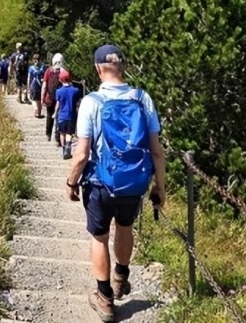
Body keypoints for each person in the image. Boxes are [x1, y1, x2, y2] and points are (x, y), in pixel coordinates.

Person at [66, 45, 166, 322]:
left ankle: (105, 299)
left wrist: (71, 182)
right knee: (125, 226)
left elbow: (82, 153)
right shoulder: (142, 98)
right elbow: (156, 150)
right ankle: (121, 275)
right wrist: (160, 187)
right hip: (134, 182)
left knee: (99, 236)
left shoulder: (91, 102)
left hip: (100, 182)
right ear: (123, 66)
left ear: (98, 68)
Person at [53, 69, 81, 160]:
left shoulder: (58, 91)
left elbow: (58, 104)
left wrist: (54, 113)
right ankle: (68, 148)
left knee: (62, 133)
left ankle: (64, 149)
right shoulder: (75, 90)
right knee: (69, 133)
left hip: (62, 115)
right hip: (71, 115)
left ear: (60, 80)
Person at [41, 53, 66, 141]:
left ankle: (48, 134)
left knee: (49, 115)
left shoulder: (48, 71)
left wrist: (42, 98)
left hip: (49, 98)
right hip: (61, 99)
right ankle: (58, 137)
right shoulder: (64, 71)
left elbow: (44, 86)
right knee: (59, 117)